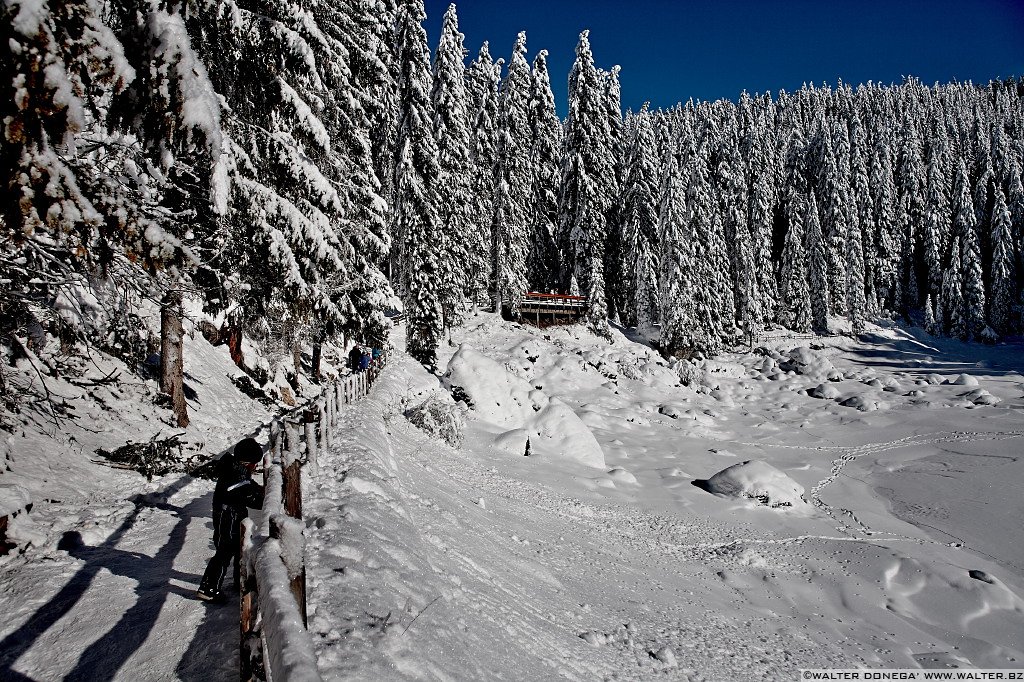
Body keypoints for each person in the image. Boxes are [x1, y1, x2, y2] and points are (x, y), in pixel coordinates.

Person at [197, 438, 264, 602]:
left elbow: (249, 485)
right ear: (247, 462)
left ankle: (237, 580)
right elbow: (252, 498)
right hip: (227, 517)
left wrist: (260, 489)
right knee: (224, 550)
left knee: (237, 547)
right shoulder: (234, 476)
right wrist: (264, 495)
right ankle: (208, 588)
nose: (255, 467)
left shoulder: (236, 469)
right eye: (254, 464)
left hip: (232, 514)